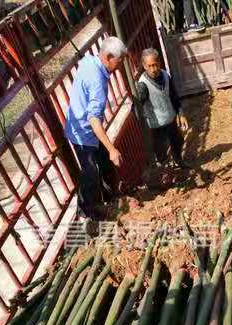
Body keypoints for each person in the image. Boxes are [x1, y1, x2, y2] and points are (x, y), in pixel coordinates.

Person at [65, 36, 127, 222]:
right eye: (120, 60)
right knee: (91, 173)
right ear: (108, 57)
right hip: (83, 132)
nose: (121, 64)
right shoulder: (98, 81)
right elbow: (94, 120)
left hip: (82, 126)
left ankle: (111, 199)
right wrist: (112, 149)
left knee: (105, 165)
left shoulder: (91, 61)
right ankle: (86, 215)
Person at [137, 48, 189, 168]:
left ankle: (178, 161)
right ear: (144, 66)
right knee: (161, 151)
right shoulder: (142, 85)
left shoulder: (165, 75)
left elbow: (174, 95)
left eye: (155, 65)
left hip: (170, 119)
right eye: (149, 66)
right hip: (156, 126)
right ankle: (166, 172)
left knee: (178, 141)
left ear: (159, 63)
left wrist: (181, 113)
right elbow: (137, 107)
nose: (153, 69)